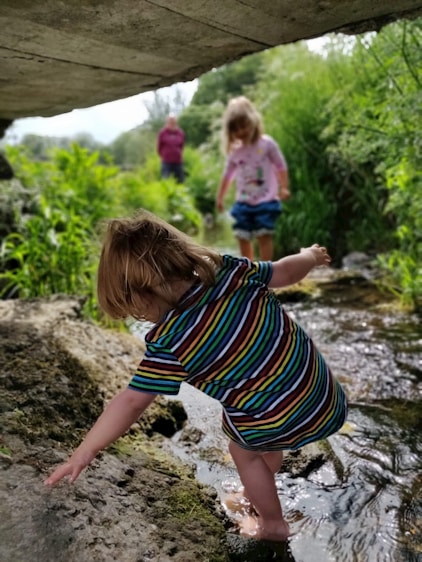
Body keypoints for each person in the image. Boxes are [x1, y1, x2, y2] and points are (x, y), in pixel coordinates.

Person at [45, 209, 348, 543]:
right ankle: (262, 478)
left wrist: (84, 452)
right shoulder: (230, 271)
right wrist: (310, 255)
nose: (141, 316)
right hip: (327, 401)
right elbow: (285, 271)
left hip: (275, 421)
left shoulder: (169, 341)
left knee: (242, 450)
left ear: (142, 293)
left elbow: (131, 401)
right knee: (257, 414)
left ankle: (273, 523)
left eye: (134, 308)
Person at [216, 96, 290, 261]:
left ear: (253, 121)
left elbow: (280, 165)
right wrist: (220, 197)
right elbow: (227, 175)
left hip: (266, 199)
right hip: (243, 201)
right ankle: (248, 269)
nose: (240, 132)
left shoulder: (267, 144)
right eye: (235, 130)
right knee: (242, 235)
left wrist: (284, 186)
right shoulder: (235, 151)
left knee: (264, 235)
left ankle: (266, 270)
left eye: (243, 126)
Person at [157, 114, 185, 183]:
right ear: (167, 122)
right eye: (170, 122)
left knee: (180, 181)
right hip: (166, 162)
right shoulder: (162, 133)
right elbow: (159, 147)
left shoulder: (180, 133)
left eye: (173, 122)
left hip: (178, 162)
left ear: (176, 122)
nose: (172, 124)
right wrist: (163, 156)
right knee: (165, 181)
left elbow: (182, 146)